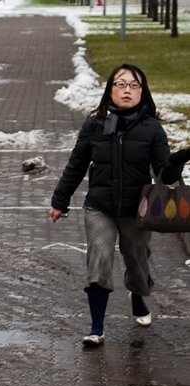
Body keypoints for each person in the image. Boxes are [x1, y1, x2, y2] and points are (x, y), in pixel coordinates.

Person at [49, 63, 189, 348]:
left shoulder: (152, 128)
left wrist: (178, 160)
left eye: (134, 85)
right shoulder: (94, 125)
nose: (127, 90)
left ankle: (138, 296)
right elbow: (76, 165)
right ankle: (96, 327)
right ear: (110, 89)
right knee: (99, 259)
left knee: (137, 263)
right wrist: (59, 201)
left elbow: (164, 174)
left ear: (143, 91)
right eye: (121, 84)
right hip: (99, 207)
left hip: (137, 210)